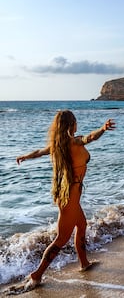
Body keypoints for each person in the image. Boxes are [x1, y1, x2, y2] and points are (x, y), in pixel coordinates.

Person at [13, 110, 115, 292]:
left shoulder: (58, 145)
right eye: (75, 121)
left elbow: (40, 152)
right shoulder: (74, 142)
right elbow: (90, 138)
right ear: (71, 125)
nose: (77, 124)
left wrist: (26, 156)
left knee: (82, 225)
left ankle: (84, 263)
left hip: (70, 197)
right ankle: (36, 275)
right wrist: (103, 129)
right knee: (61, 239)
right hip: (70, 199)